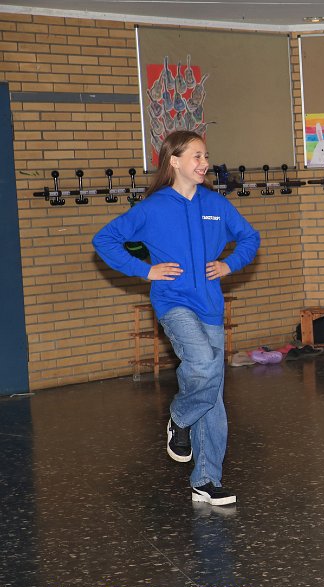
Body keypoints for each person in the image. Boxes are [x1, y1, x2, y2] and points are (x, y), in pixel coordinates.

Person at [92, 131, 260, 507]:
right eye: (196, 156)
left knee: (212, 394)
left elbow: (250, 238)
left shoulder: (215, 204)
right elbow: (104, 240)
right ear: (174, 161)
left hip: (210, 305)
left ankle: (206, 481)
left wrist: (229, 264)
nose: (204, 163)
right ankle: (180, 417)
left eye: (206, 156)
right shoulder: (153, 208)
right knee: (203, 363)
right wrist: (146, 271)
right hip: (173, 302)